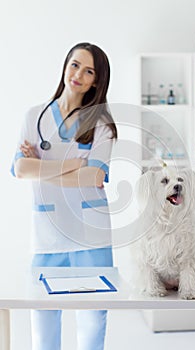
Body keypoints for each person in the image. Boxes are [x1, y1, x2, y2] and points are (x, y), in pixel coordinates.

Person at [11, 42, 117, 350]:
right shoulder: (35, 117)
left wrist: (41, 166)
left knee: (92, 322)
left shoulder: (102, 125)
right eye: (75, 65)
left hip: (91, 237)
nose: (78, 75)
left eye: (89, 71)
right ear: (65, 66)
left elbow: (94, 177)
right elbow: (20, 169)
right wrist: (72, 165)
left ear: (96, 81)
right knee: (43, 322)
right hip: (47, 235)